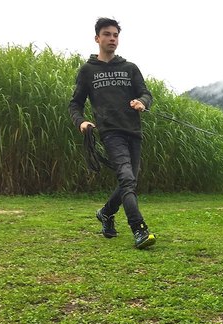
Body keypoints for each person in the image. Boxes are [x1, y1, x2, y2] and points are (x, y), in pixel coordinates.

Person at [69, 17, 156, 249]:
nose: (112, 39)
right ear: (97, 38)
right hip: (110, 133)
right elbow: (75, 104)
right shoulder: (88, 71)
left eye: (115, 35)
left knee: (130, 180)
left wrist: (142, 102)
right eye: (107, 34)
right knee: (127, 179)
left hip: (134, 132)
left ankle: (106, 213)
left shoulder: (130, 68)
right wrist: (82, 122)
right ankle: (139, 229)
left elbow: (146, 93)